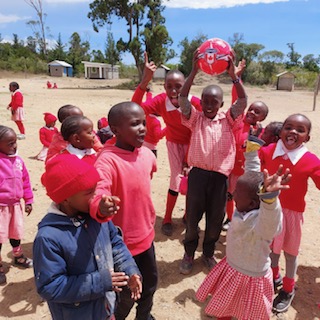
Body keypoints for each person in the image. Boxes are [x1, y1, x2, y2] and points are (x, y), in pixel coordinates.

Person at [33, 153, 142, 320]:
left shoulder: (96, 217)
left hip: (105, 307)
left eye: (96, 188)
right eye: (89, 192)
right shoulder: (48, 237)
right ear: (66, 198)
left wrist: (129, 270)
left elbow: (115, 244)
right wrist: (101, 282)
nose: (96, 196)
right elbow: (50, 286)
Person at [196, 138, 291, 320]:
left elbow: (272, 221)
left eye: (237, 193)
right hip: (232, 267)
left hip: (251, 277)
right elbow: (252, 175)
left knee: (248, 313)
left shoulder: (261, 223)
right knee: (225, 305)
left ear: (254, 202)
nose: (233, 194)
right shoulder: (246, 204)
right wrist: (252, 152)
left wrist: (270, 200)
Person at [178, 49, 247, 274]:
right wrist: (193, 71)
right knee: (192, 218)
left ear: (221, 103)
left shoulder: (229, 121)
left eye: (214, 101)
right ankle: (189, 252)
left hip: (219, 178)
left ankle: (208, 253)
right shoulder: (195, 119)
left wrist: (233, 76)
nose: (209, 104)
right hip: (197, 176)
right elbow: (182, 98)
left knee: (215, 220)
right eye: (205, 100)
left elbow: (243, 100)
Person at [90, 101, 158, 320]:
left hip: (146, 236)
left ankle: (144, 317)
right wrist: (101, 204)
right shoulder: (107, 160)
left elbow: (146, 178)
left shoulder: (147, 154)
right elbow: (99, 190)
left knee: (149, 285)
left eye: (144, 123)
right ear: (116, 130)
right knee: (127, 295)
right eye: (135, 124)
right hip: (122, 245)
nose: (142, 128)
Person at [132, 52, 202, 236]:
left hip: (194, 145)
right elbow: (134, 107)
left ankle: (188, 214)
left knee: (193, 181)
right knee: (175, 179)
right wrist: (145, 80)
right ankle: (169, 218)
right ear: (163, 87)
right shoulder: (161, 102)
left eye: (178, 87)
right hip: (174, 144)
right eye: (169, 87)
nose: (173, 91)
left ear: (185, 86)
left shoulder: (194, 102)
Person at [258, 113, 320, 313]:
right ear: (281, 131)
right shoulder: (267, 152)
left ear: (307, 138)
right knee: (271, 250)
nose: (293, 131)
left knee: (290, 254)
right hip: (269, 209)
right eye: (288, 127)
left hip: (292, 215)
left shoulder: (310, 160)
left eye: (300, 130)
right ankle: (273, 278)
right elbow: (253, 171)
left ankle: (288, 288)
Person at [223, 100, 269, 230]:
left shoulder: (261, 132)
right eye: (251, 109)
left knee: (243, 197)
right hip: (231, 168)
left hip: (246, 172)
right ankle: (230, 218)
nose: (252, 112)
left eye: (257, 112)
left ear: (263, 118)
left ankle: (243, 220)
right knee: (229, 195)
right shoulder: (238, 123)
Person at [0, 125, 34, 285]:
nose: (14, 146)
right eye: (10, 143)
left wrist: (28, 200)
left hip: (15, 206)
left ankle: (18, 255)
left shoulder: (18, 161)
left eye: (15, 142)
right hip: (1, 208)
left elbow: (25, 181)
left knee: (16, 232)